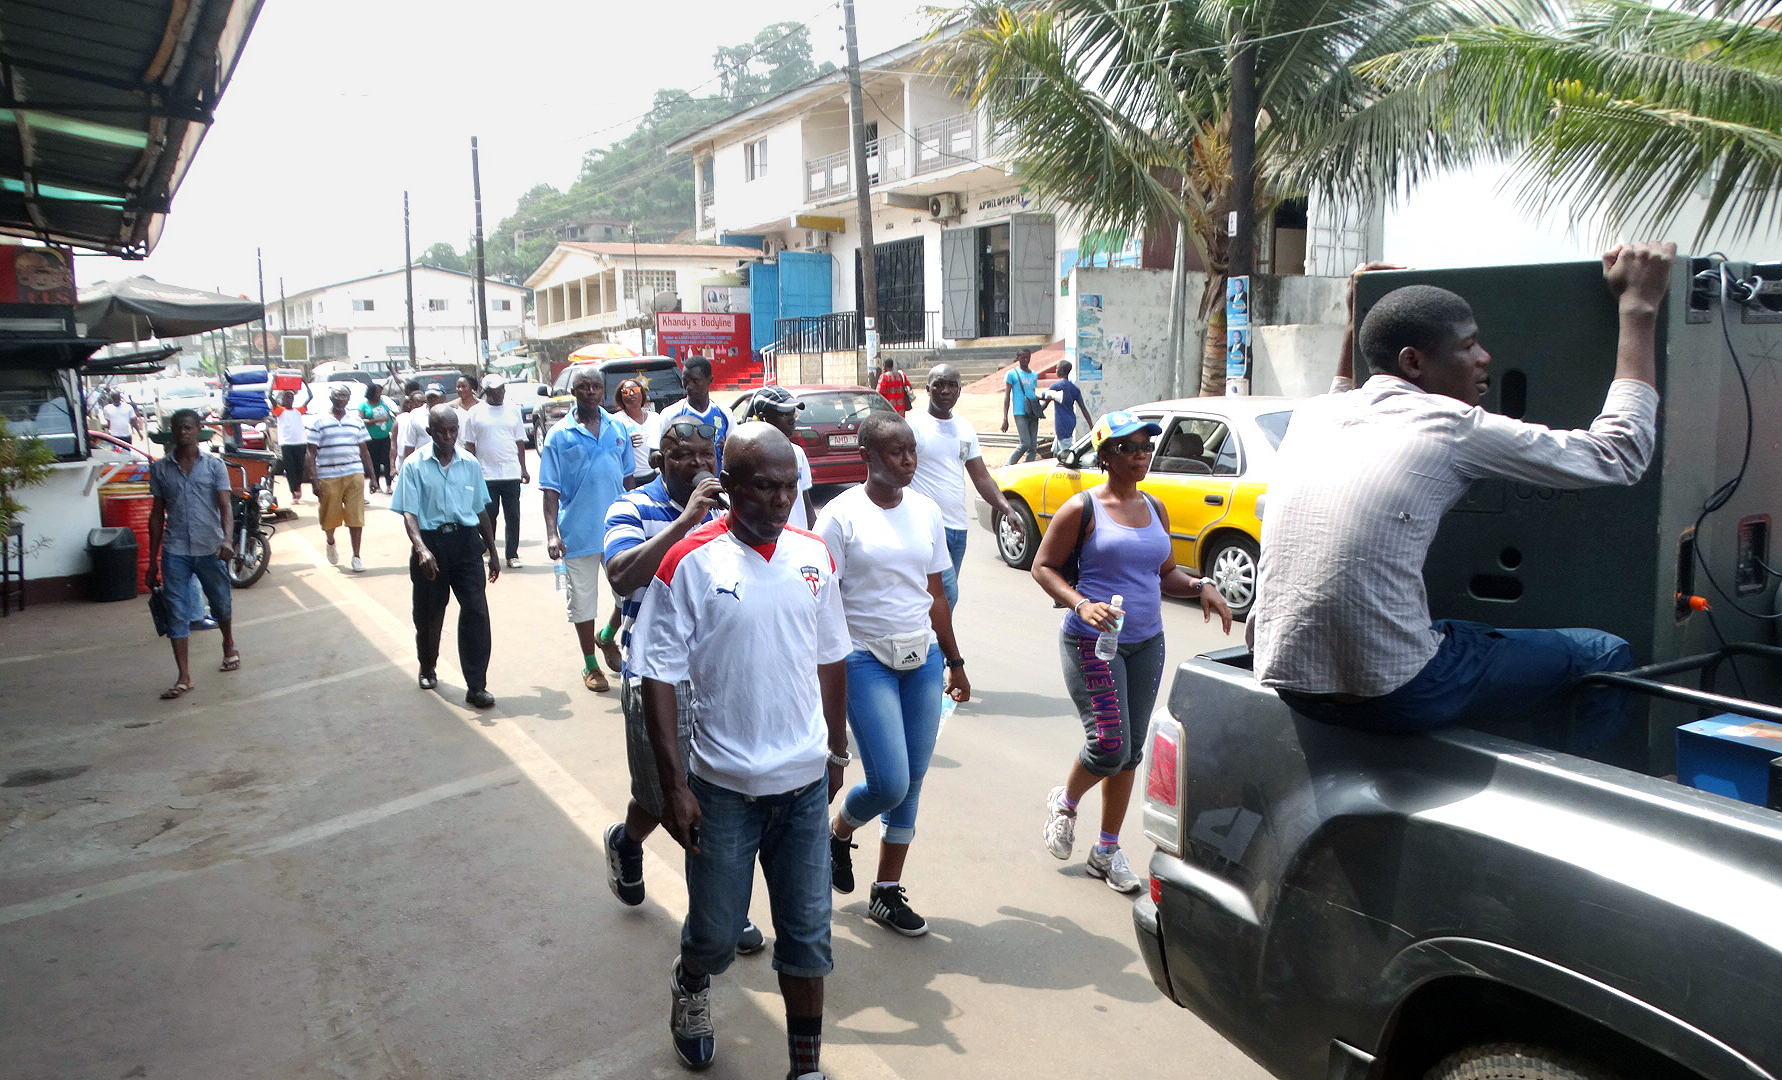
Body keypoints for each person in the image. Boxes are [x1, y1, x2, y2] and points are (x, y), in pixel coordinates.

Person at [1252, 242, 1678, 740]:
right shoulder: (1451, 424)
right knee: (1605, 654)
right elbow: (1619, 455)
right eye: (1468, 345)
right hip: (1398, 691)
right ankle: (1581, 795)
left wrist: (1355, 320)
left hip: (1289, 680)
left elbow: (1343, 386)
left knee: (1466, 631)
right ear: (1413, 362)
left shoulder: (1314, 416)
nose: (1484, 357)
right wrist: (1639, 309)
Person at [631, 422, 851, 1078]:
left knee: (808, 939)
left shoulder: (814, 554)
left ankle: (805, 1068)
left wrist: (836, 753)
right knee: (717, 936)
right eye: (764, 486)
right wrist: (674, 785)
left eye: (790, 486)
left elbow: (832, 656)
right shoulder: (689, 560)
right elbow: (659, 675)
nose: (781, 500)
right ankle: (692, 983)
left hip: (804, 786)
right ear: (729, 486)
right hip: (723, 791)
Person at [1034, 410, 1233, 892]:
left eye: (1146, 446)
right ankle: (1066, 801)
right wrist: (1081, 604)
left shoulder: (1156, 508)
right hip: (1093, 645)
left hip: (1147, 642)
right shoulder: (1082, 509)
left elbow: (1165, 574)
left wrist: (1201, 584)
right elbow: (1044, 567)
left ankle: (1106, 850)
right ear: (1105, 455)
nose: (1140, 454)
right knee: (1107, 743)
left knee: (1129, 753)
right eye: (1128, 447)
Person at [599, 418, 767, 953]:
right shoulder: (630, 509)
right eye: (685, 456)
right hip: (655, 678)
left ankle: (724, 908)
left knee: (717, 799)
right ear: (659, 459)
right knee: (662, 796)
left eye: (706, 455)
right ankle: (627, 842)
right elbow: (623, 576)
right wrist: (687, 524)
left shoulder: (728, 512)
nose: (699, 465)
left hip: (717, 676)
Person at [816, 413, 968, 937]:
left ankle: (884, 892)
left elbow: (937, 593)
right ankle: (838, 831)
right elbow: (820, 599)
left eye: (912, 450)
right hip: (862, 657)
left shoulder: (925, 511)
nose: (909, 460)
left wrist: (954, 659)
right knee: (890, 780)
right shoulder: (838, 517)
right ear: (869, 457)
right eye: (896, 452)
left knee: (914, 781)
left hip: (921, 657)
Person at [390, 404, 500, 709]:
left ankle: (477, 685)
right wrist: (421, 548)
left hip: (466, 545)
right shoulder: (414, 465)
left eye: (453, 430)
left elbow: (480, 509)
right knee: (429, 615)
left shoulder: (470, 464)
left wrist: (492, 550)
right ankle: (427, 665)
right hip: (431, 546)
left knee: (476, 612)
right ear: (430, 431)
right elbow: (409, 513)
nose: (448, 436)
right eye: (441, 431)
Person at [539, 366, 632, 692]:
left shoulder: (616, 427)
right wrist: (553, 533)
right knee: (582, 603)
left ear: (603, 392)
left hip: (619, 530)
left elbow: (629, 479)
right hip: (576, 533)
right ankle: (590, 666)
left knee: (631, 593)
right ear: (574, 392)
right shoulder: (558, 435)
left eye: (596, 387)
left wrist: (639, 517)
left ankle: (607, 636)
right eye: (584, 387)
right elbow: (550, 490)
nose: (591, 392)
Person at [145, 409, 240, 699]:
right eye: (178, 428)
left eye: (188, 427)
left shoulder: (213, 466)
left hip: (209, 547)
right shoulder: (161, 469)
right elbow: (156, 516)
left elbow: (225, 508)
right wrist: (151, 561)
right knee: (176, 610)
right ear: (172, 431)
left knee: (221, 602)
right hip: (175, 550)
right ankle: (184, 676)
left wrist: (227, 540)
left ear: (198, 429)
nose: (183, 432)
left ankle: (228, 645)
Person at [907, 364, 1015, 608]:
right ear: (927, 389)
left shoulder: (965, 428)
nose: (945, 391)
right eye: (939, 385)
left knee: (941, 600)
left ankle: (932, 644)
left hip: (958, 529)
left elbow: (981, 477)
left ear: (959, 391)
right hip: (927, 528)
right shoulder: (913, 427)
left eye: (952, 385)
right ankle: (942, 647)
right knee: (945, 594)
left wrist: (1006, 508)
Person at [306, 384, 374, 573]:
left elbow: (364, 451)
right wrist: (314, 479)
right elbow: (311, 453)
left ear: (348, 399)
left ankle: (356, 556)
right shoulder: (319, 422)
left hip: (354, 473)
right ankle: (330, 541)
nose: (340, 399)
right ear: (331, 398)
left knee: (356, 517)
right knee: (330, 517)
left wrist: (373, 478)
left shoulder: (356, 421)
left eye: (344, 396)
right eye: (337, 396)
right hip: (328, 476)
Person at [464, 375, 530, 569]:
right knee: (488, 515)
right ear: (487, 392)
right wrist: (472, 472)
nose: (500, 393)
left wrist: (523, 468)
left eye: (502, 389)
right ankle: (488, 550)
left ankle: (512, 555)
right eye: (495, 390)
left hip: (510, 472)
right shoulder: (475, 413)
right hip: (486, 474)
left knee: (513, 516)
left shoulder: (513, 410)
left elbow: (519, 441)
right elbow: (469, 445)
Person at [748, 385, 816, 529]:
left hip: (798, 540)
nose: (792, 420)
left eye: (793, 414)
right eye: (785, 414)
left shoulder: (797, 453)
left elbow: (806, 503)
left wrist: (816, 536)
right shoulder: (749, 457)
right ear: (763, 417)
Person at [655, 356, 732, 473]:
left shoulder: (724, 414)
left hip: (717, 485)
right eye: (685, 380)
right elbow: (652, 457)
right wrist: (673, 452)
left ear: (709, 380)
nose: (689, 386)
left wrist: (728, 450)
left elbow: (736, 453)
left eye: (695, 381)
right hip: (683, 488)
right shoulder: (670, 414)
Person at [1000, 348, 1044, 465]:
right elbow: (1007, 396)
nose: (1026, 360)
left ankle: (1027, 468)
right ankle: (1008, 465)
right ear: (1018, 358)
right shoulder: (1012, 374)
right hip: (1020, 412)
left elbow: (1032, 394)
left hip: (1033, 412)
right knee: (1025, 443)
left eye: (1028, 357)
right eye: (1023, 357)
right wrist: (1005, 418)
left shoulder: (1034, 374)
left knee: (1033, 446)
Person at [1041, 359, 1093, 451]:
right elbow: (1083, 409)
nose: (1055, 370)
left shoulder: (1055, 387)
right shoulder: (1074, 388)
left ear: (1061, 371)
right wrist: (1091, 425)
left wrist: (1032, 410)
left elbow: (1044, 405)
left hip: (1061, 421)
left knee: (1066, 451)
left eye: (1056, 368)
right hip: (1071, 420)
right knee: (1056, 449)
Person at [612, 377, 658, 480]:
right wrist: (627, 443)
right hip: (629, 478)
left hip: (654, 476)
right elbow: (611, 449)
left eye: (635, 390)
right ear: (621, 397)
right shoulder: (616, 421)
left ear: (641, 393)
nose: (632, 394)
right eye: (626, 392)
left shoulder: (655, 418)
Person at [358, 383, 396, 494]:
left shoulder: (383, 403)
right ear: (371, 393)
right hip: (371, 438)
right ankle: (377, 484)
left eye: (380, 392)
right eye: (377, 392)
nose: (380, 394)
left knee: (387, 461)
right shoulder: (364, 405)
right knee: (374, 461)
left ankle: (389, 485)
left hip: (384, 436)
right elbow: (361, 420)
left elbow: (389, 415)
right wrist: (375, 421)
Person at [397, 383, 445, 469]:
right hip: (423, 465)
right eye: (429, 397)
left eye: (435, 397)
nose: (432, 400)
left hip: (445, 464)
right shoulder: (415, 415)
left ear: (443, 398)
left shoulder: (451, 414)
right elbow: (409, 445)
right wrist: (408, 469)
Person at [274, 390, 309, 504]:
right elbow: (270, 397)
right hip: (286, 444)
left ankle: (298, 487)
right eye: (287, 398)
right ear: (283, 400)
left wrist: (305, 384)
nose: (289, 400)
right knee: (290, 469)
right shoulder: (279, 411)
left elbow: (310, 397)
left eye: (291, 398)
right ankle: (293, 492)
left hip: (300, 443)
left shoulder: (298, 411)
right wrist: (274, 381)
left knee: (299, 467)